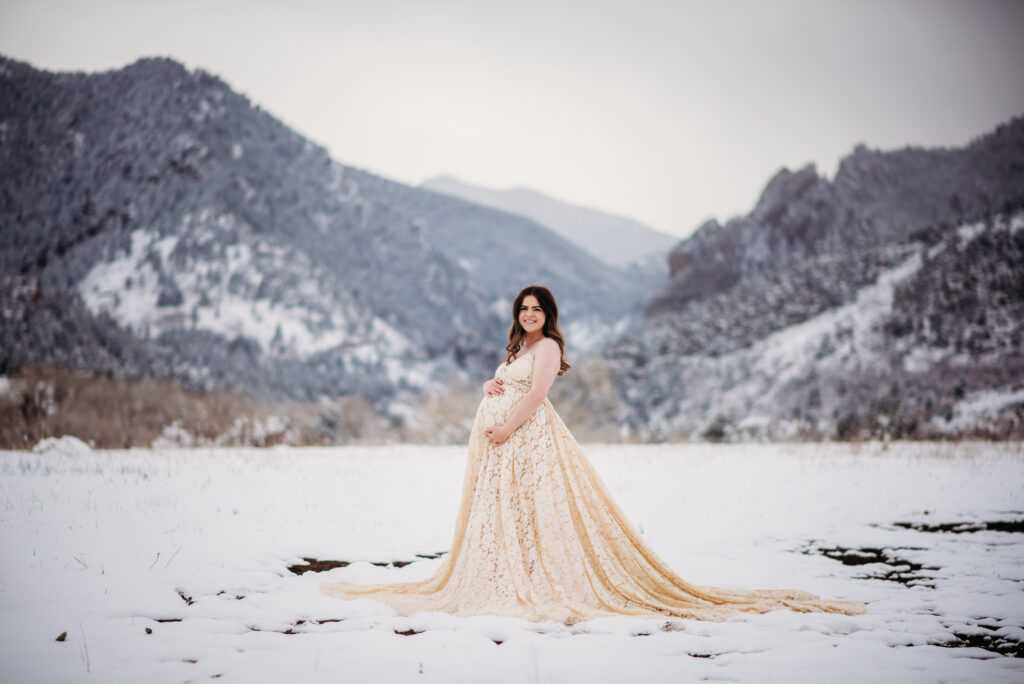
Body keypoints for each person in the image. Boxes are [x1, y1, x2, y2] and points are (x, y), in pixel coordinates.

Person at [320, 285, 867, 623]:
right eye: (523, 308)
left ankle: (543, 580)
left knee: (545, 509)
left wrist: (506, 427)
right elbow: (511, 380)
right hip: (506, 442)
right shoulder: (520, 346)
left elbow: (536, 394)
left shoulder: (549, 346)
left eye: (536, 308)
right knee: (516, 516)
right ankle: (516, 571)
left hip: (527, 440)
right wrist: (490, 387)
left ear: (547, 314)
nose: (529, 313)